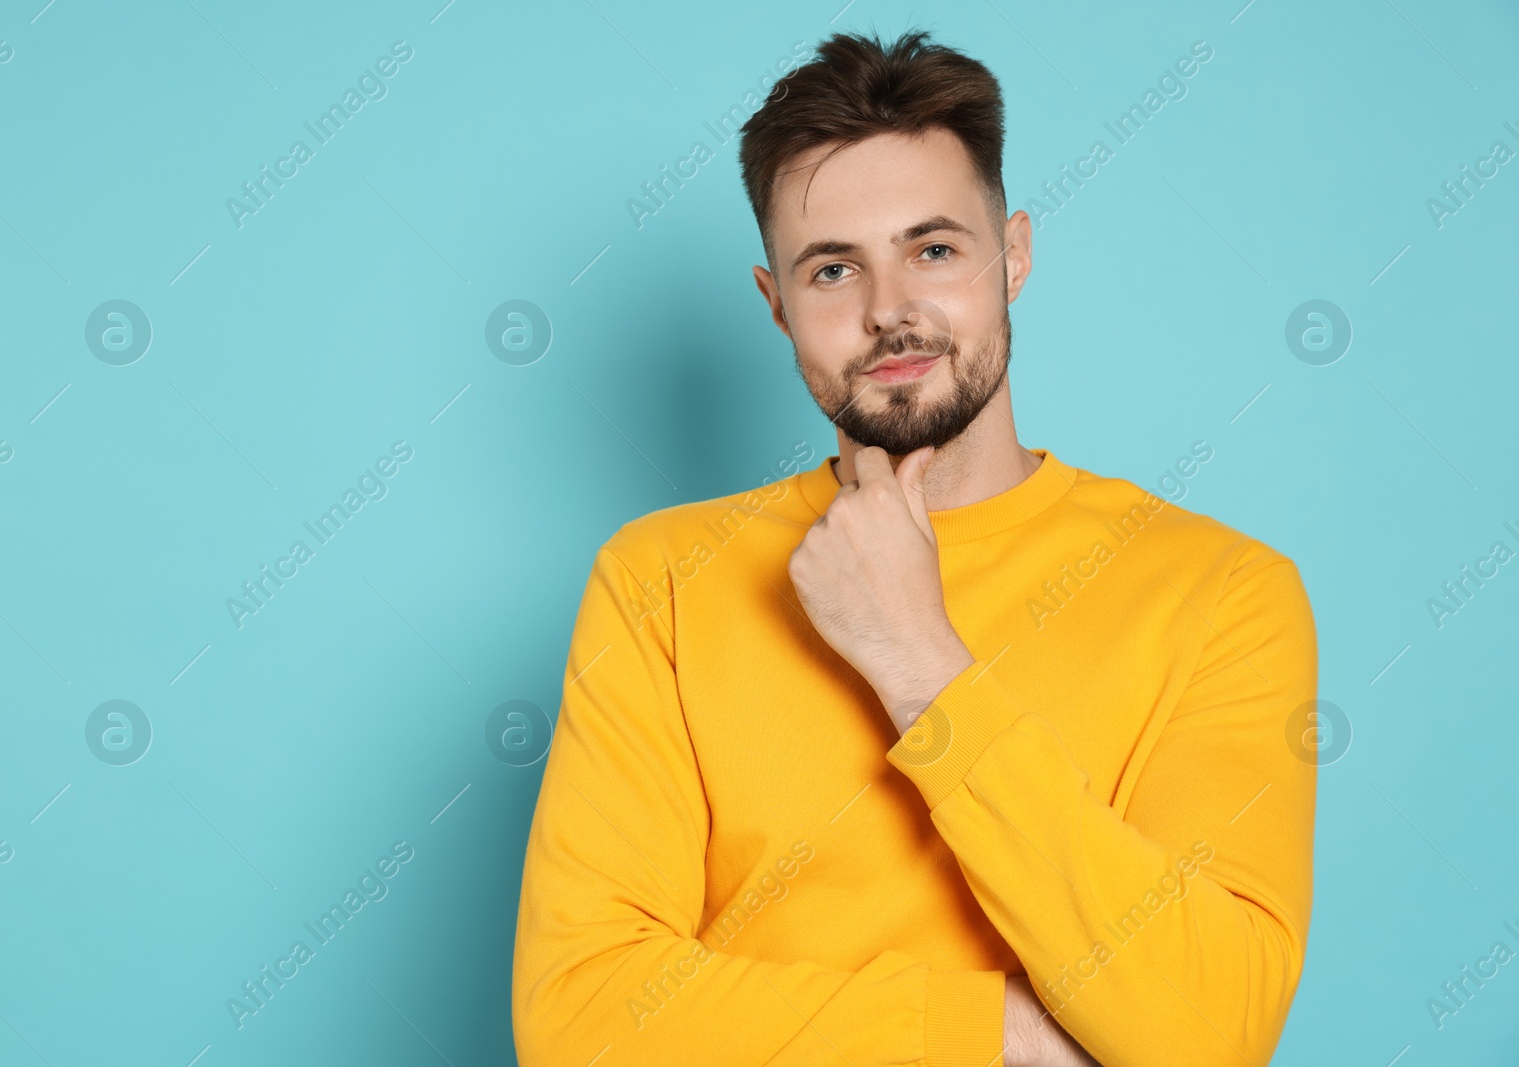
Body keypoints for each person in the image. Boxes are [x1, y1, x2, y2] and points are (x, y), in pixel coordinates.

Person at [512, 28, 1316, 1067]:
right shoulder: (661, 579)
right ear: (776, 305)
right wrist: (990, 1036)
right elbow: (579, 1021)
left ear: (1013, 255)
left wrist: (918, 661)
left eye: (933, 249)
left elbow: (1209, 1032)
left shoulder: (1223, 593)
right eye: (834, 268)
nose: (890, 310)